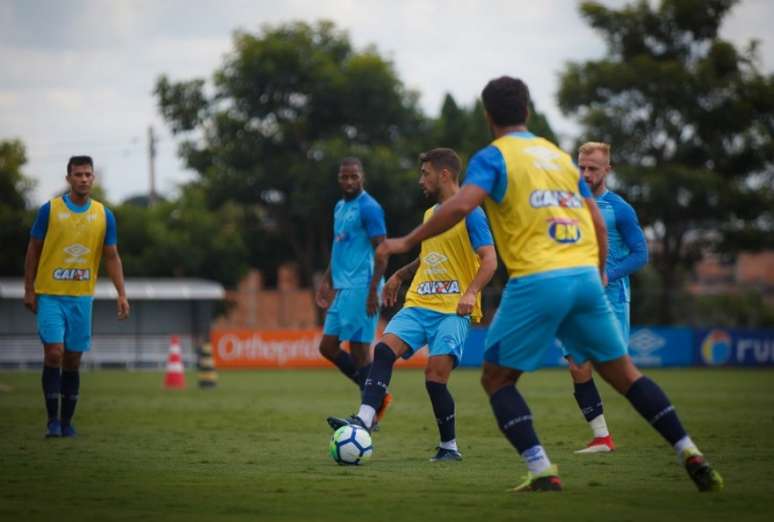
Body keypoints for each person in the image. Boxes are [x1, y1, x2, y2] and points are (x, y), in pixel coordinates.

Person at [375, 76, 723, 492]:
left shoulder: (493, 156)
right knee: (627, 376)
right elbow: (595, 220)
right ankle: (689, 451)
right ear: (528, 112)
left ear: (488, 117)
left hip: (539, 279)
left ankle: (541, 468)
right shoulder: (558, 157)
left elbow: (461, 205)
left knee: (497, 380)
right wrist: (596, 271)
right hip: (584, 277)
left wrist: (406, 241)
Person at [328, 148, 497, 461]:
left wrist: (471, 292)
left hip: (452, 308)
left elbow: (490, 259)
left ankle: (449, 447)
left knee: (434, 378)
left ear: (444, 174)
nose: (421, 179)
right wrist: (400, 275)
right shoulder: (431, 215)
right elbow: (429, 255)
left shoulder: (471, 212)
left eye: (425, 173)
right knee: (383, 350)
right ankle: (363, 420)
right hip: (420, 302)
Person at [23, 155, 129, 438]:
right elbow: (33, 250)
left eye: (88, 174)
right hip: (50, 295)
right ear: (68, 178)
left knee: (72, 360)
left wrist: (122, 294)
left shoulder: (104, 215)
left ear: (93, 179)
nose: (83, 179)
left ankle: (67, 421)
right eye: (78, 174)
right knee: (54, 353)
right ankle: (51, 421)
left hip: (82, 298)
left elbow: (112, 256)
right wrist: (29, 289)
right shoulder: (50, 210)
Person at [567, 141, 648, 454]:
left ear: (607, 170)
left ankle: (670, 428)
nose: (585, 174)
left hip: (611, 298)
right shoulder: (568, 204)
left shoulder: (620, 209)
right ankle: (602, 437)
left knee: (618, 374)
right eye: (582, 167)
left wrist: (607, 275)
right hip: (576, 299)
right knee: (577, 364)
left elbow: (641, 254)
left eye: (593, 169)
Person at [316, 157, 392, 424]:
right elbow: (339, 248)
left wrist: (373, 291)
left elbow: (382, 252)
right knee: (327, 347)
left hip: (362, 287)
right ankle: (377, 397)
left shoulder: (369, 208)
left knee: (360, 350)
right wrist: (326, 280)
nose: (349, 181)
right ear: (339, 178)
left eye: (354, 177)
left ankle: (368, 413)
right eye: (344, 177)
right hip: (342, 287)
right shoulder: (339, 207)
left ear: (363, 178)